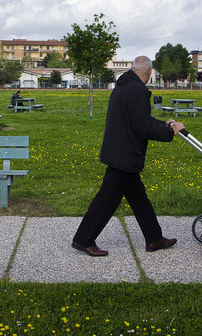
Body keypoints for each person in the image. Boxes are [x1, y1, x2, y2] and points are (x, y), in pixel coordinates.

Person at [72, 56, 185, 257]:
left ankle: (154, 238)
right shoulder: (137, 90)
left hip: (121, 151)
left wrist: (163, 124)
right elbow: (142, 126)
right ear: (149, 72)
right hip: (125, 155)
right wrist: (170, 132)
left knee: (138, 198)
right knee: (107, 199)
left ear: (133, 69)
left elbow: (138, 118)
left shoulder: (123, 87)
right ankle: (83, 240)